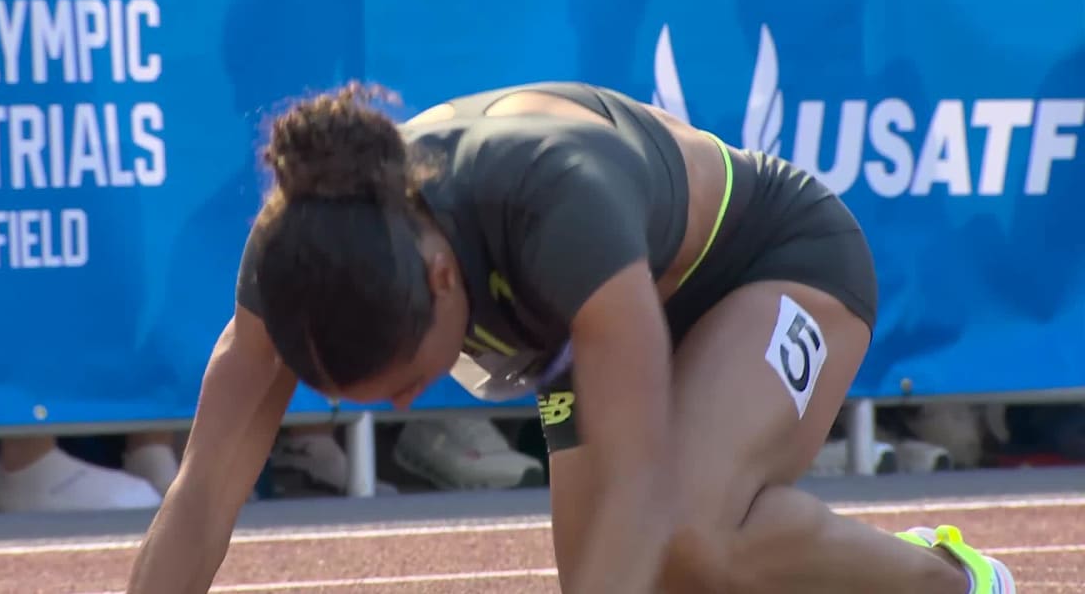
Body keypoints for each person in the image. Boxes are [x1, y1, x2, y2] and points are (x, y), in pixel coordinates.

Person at [126, 82, 1014, 594]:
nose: (402, 406)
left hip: (773, 264)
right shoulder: (297, 261)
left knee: (684, 536)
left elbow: (637, 479)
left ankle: (953, 581)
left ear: (443, 280)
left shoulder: (553, 194)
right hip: (588, 329)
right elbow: (202, 499)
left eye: (401, 379)